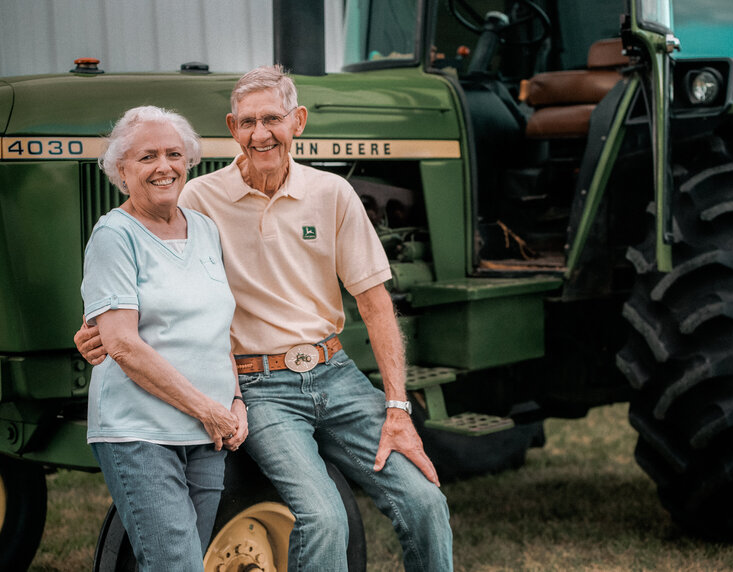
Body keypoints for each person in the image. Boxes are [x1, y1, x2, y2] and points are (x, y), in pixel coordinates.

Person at [77, 65, 453, 571]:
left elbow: (375, 302)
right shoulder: (194, 197)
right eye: (248, 122)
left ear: (297, 121)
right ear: (232, 128)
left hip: (335, 373)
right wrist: (93, 331)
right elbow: (135, 258)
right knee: (325, 518)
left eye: (272, 119)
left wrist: (398, 407)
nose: (260, 134)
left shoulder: (333, 194)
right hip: (258, 384)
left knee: (426, 500)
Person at [80, 106, 248, 571]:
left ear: (189, 162)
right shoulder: (115, 235)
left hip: (210, 434)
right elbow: (122, 344)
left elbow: (218, 329)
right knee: (176, 564)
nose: (163, 166)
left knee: (183, 561)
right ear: (121, 170)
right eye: (147, 156)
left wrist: (234, 401)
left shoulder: (206, 230)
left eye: (174, 154)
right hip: (141, 432)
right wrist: (208, 409)